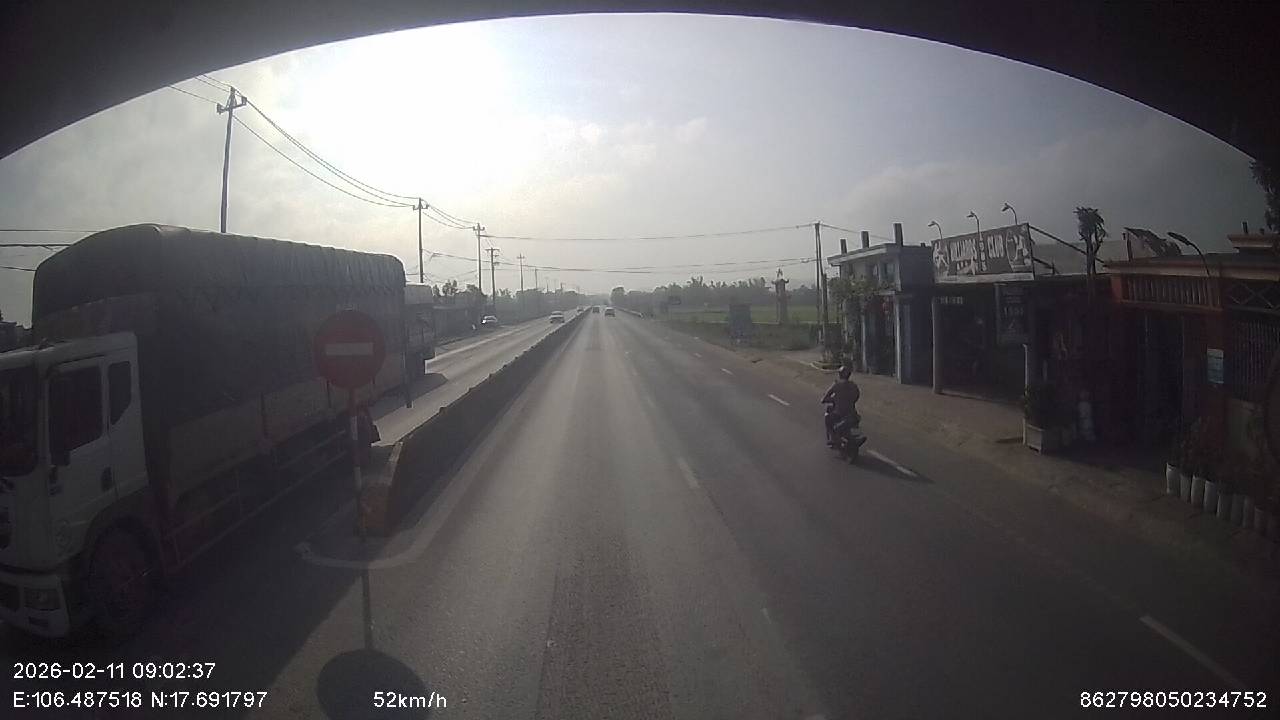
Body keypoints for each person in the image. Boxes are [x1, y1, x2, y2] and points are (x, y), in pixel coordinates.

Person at [821, 365, 861, 447]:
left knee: (827, 418)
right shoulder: (853, 385)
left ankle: (832, 438)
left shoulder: (836, 385)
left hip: (839, 413)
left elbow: (824, 398)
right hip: (852, 413)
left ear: (840, 374)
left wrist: (833, 399)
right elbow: (856, 396)